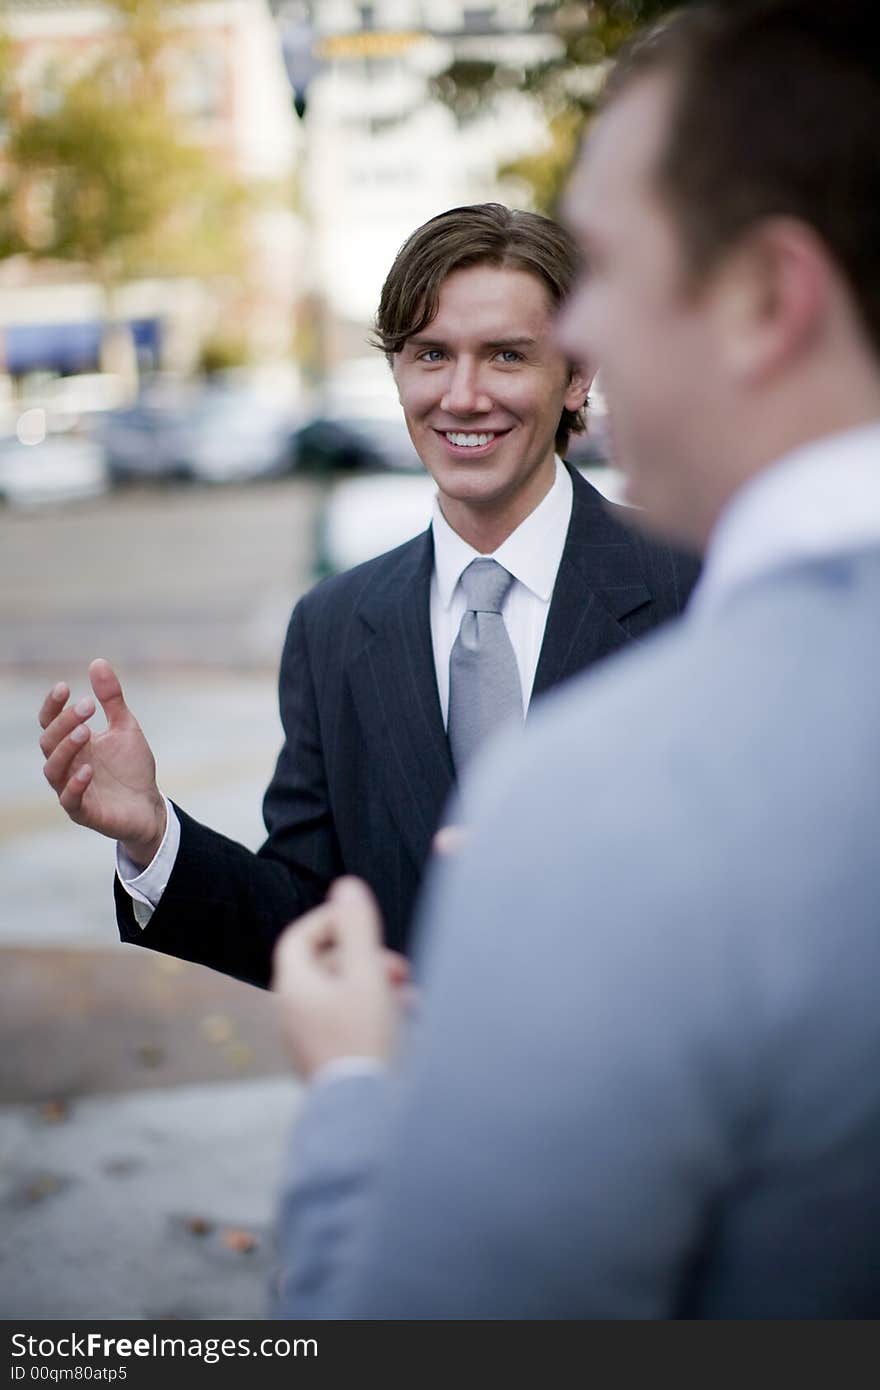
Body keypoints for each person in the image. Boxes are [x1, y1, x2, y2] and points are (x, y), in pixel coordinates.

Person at [271, 0, 880, 1318]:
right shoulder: (340, 624)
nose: (579, 340)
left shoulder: (599, 796)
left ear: (768, 298)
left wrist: (354, 1099)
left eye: (604, 270)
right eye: (430, 352)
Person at [38, 204, 698, 987]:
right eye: (430, 355)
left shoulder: (693, 584)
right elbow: (311, 920)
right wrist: (154, 837)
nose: (462, 395)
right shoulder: (334, 626)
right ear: (396, 371)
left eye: (507, 356)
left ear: (578, 374)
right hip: (421, 1101)